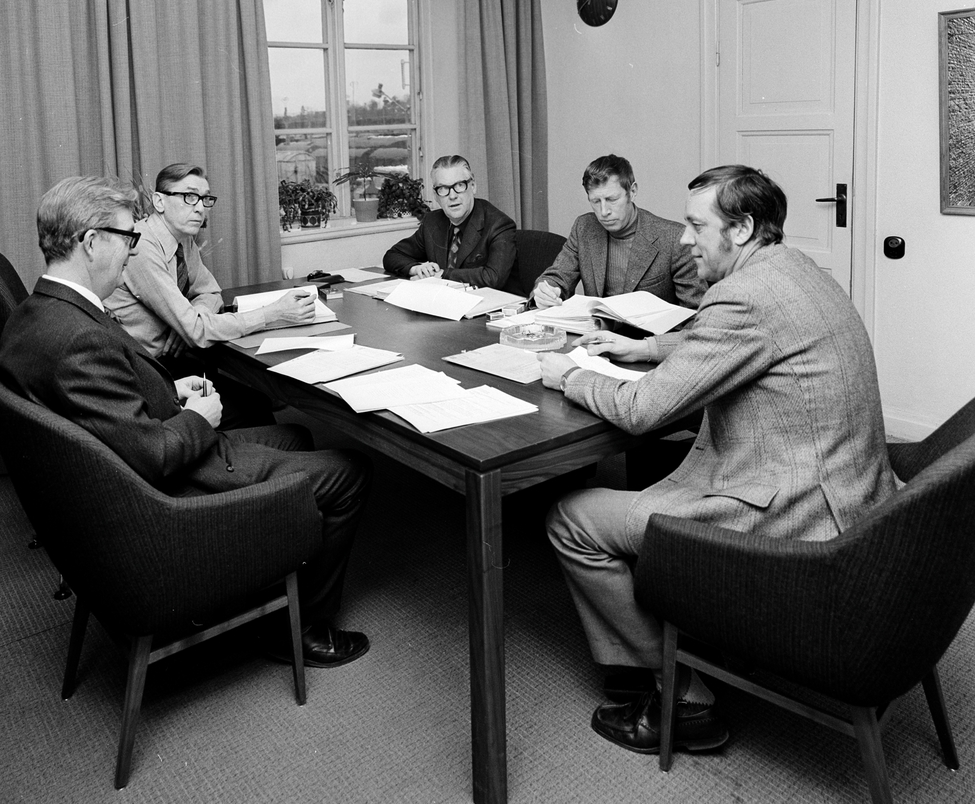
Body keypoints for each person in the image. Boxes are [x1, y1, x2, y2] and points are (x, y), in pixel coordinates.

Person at [537, 165, 897, 754]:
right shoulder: (792, 269)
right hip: (857, 497)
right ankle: (680, 635)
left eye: (696, 226)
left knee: (570, 518)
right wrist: (646, 347)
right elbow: (725, 335)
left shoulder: (741, 296)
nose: (684, 239)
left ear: (742, 228)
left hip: (798, 518)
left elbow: (641, 411)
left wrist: (569, 376)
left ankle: (683, 695)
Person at [0, 174, 373, 667]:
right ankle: (304, 632)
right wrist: (198, 416)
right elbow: (155, 456)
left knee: (296, 435)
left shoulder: (36, 313)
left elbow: (100, 405)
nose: (133, 251)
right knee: (350, 472)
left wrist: (169, 391)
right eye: (127, 238)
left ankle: (275, 578)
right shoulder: (79, 339)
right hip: (168, 499)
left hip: (126, 469)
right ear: (90, 243)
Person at [106, 162, 313, 427]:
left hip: (175, 361)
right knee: (255, 409)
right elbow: (196, 332)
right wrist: (273, 313)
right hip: (147, 373)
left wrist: (193, 316)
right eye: (189, 196)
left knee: (257, 401)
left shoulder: (182, 238)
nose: (200, 208)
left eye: (205, 199)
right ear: (159, 201)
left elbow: (211, 292)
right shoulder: (143, 246)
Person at [532, 154, 703, 361]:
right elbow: (558, 275)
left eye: (612, 200)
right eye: (596, 201)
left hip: (647, 354)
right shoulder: (584, 227)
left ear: (633, 191)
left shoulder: (674, 239)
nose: (604, 212)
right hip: (596, 348)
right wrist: (546, 290)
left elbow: (697, 320)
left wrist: (646, 349)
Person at [382, 155, 516, 288]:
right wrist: (417, 269)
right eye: (443, 189)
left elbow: (493, 277)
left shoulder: (499, 224)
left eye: (459, 185)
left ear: (473, 186)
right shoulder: (432, 222)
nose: (452, 196)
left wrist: (441, 275)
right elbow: (392, 256)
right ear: (435, 195)